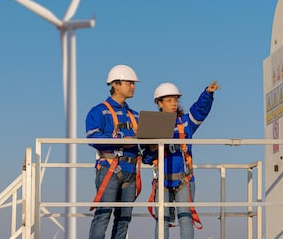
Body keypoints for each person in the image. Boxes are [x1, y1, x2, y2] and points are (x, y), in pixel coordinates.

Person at [145, 80, 220, 239]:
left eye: (175, 100)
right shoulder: (152, 125)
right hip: (162, 181)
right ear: (159, 103)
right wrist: (152, 148)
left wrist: (207, 93)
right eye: (169, 100)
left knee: (186, 219)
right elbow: (146, 156)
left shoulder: (186, 123)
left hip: (184, 180)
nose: (173, 104)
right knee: (162, 220)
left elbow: (200, 110)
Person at [86, 64, 142, 239]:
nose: (133, 87)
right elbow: (92, 139)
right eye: (129, 83)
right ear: (115, 84)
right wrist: (121, 140)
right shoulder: (98, 112)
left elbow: (145, 146)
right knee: (103, 215)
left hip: (131, 171)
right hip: (109, 168)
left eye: (133, 83)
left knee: (124, 218)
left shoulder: (136, 115)